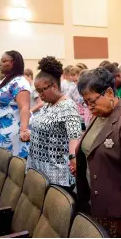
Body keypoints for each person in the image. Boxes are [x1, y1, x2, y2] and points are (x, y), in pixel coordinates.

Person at [75, 68, 121, 237]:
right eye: (86, 103)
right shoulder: (99, 114)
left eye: (92, 101)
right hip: (94, 202)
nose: (89, 107)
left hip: (116, 210)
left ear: (108, 93)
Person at [27, 56, 81, 193]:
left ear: (55, 86)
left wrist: (73, 158)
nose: (40, 95)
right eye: (37, 91)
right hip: (40, 168)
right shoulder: (48, 104)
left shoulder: (67, 106)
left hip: (57, 173)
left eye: (42, 90)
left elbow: (74, 135)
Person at [0, 50, 31, 158]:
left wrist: (24, 130)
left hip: (15, 132)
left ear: (13, 63)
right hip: (2, 131)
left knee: (16, 166)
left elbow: (24, 106)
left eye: (3, 60)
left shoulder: (20, 82)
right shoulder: (6, 80)